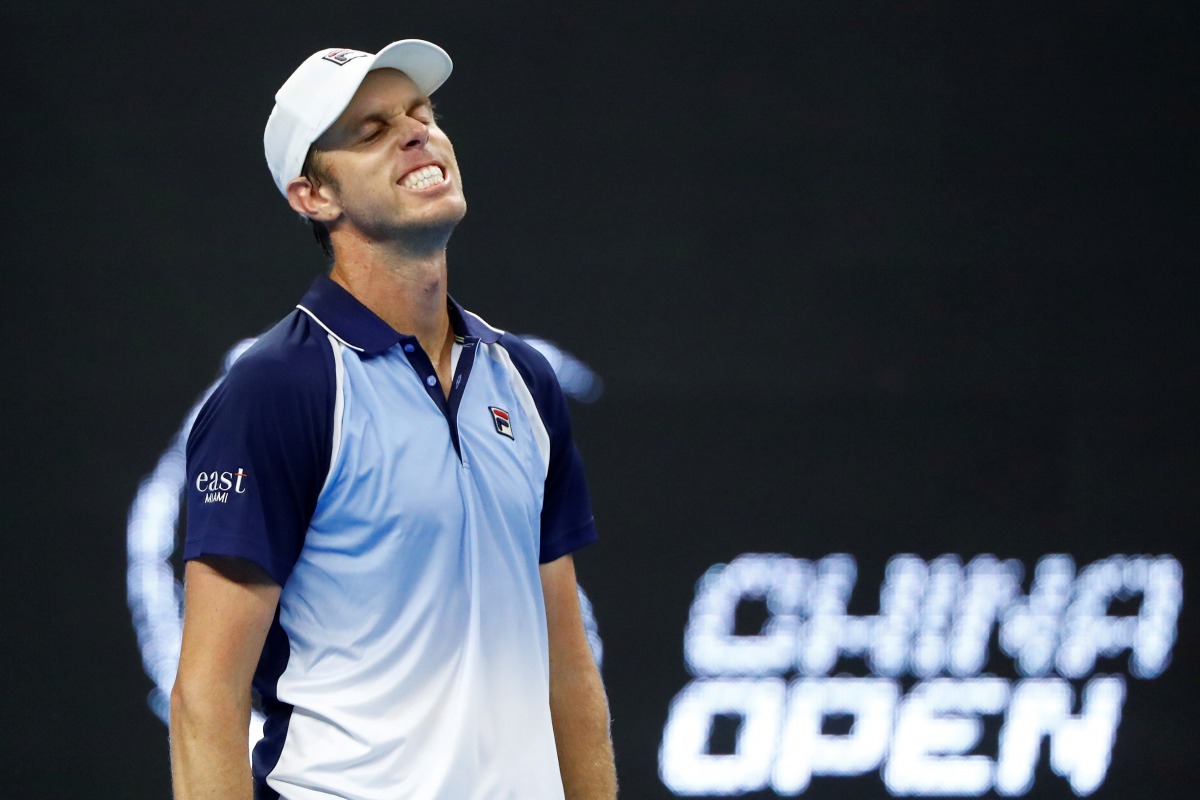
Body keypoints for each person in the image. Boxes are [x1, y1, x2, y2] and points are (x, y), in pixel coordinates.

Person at [169, 39, 617, 800]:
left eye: (422, 113)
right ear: (313, 195)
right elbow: (206, 699)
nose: (418, 134)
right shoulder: (278, 389)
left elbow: (567, 664)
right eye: (372, 131)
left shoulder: (523, 379)